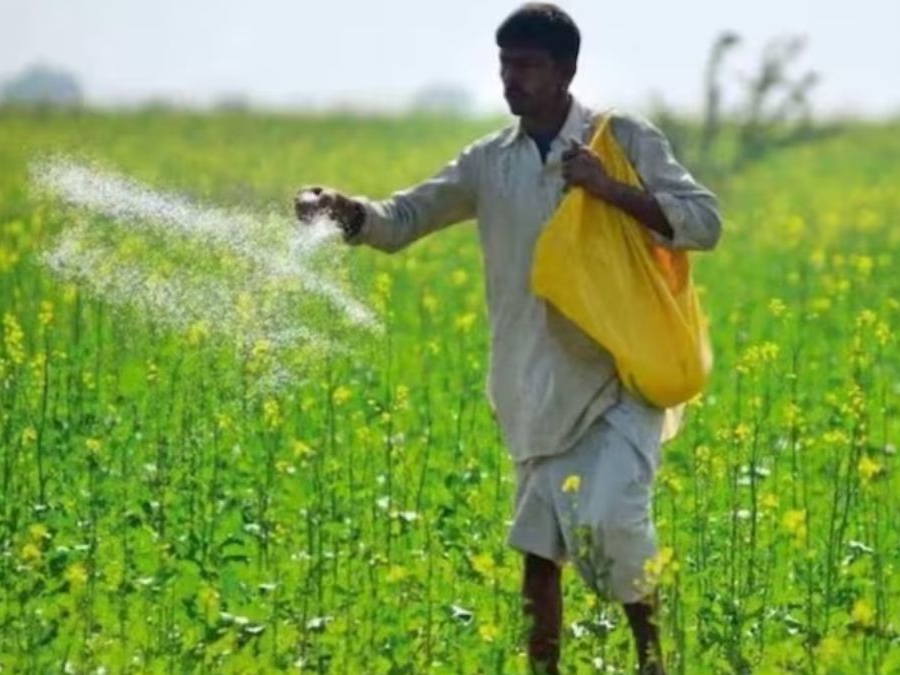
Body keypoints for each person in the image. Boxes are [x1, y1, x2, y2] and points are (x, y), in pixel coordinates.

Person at [295, 4, 722, 673]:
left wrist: (609, 189)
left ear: (565, 71)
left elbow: (704, 221)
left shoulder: (623, 140)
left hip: (617, 376)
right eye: (504, 64)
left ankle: (652, 661)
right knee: (539, 546)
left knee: (614, 520)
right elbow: (405, 218)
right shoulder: (489, 161)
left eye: (526, 65)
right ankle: (542, 668)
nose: (510, 78)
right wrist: (345, 211)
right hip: (529, 380)